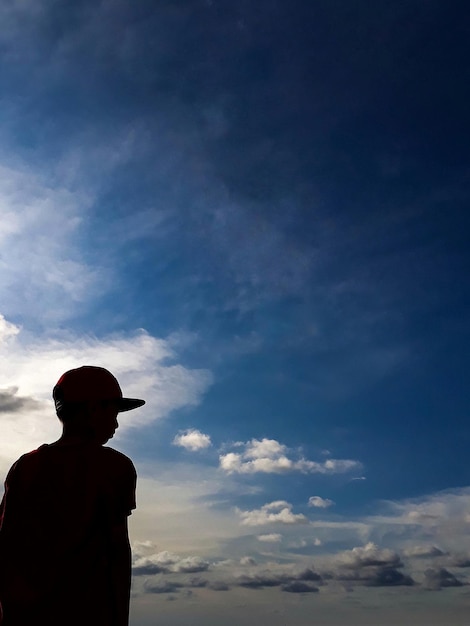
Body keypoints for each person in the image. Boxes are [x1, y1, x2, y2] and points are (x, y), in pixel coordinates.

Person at [0, 366, 145, 626]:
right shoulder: (114, 468)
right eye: (113, 412)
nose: (116, 424)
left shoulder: (25, 467)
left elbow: (6, 544)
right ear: (92, 409)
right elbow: (117, 551)